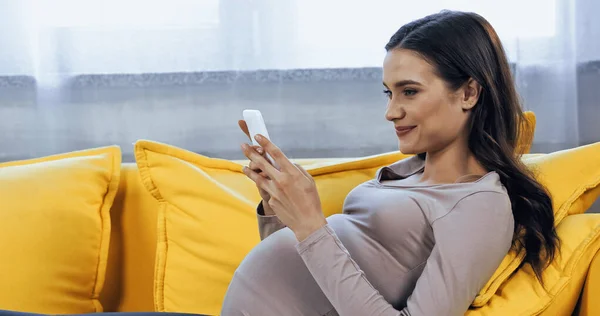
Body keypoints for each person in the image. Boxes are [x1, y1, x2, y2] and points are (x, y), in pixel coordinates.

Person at [220, 10, 559, 316]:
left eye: (409, 91)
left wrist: (311, 226)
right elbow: (309, 271)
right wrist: (277, 204)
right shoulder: (404, 173)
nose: (391, 112)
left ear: (469, 93)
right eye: (389, 92)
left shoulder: (480, 205)